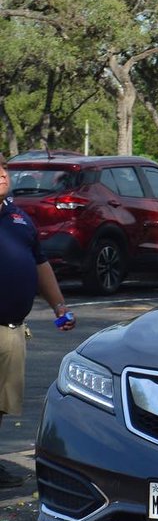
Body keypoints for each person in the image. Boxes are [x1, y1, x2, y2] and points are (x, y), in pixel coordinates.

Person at [0, 156, 76, 488]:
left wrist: (59, 306)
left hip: (11, 328)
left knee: (1, 403)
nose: (2, 175)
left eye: (3, 169)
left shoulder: (18, 218)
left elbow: (39, 264)